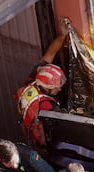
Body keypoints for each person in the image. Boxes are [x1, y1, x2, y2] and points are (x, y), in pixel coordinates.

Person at [15, 18, 70, 149]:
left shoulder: (32, 83)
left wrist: (63, 36)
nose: (60, 90)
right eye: (57, 88)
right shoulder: (47, 107)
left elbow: (50, 53)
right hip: (44, 144)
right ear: (48, 88)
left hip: (28, 131)